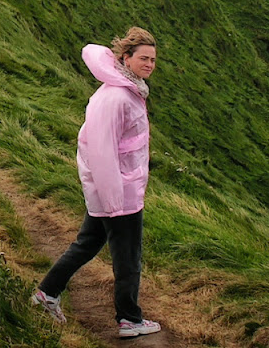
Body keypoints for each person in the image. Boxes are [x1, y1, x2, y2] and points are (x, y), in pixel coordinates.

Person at [32, 28, 162, 339]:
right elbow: (102, 152)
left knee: (88, 243)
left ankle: (46, 294)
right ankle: (129, 319)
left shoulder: (127, 89)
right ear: (125, 58)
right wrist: (116, 203)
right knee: (128, 256)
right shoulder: (116, 97)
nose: (149, 64)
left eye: (153, 59)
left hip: (114, 190)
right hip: (119, 194)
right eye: (143, 58)